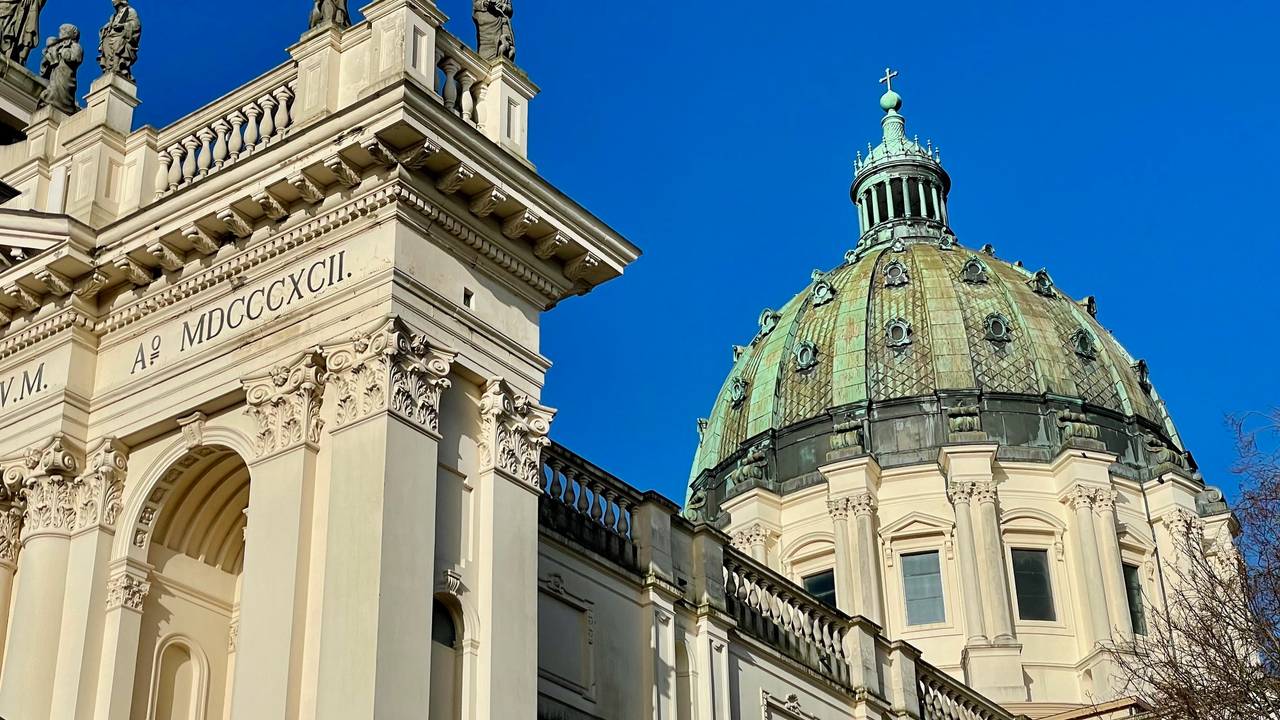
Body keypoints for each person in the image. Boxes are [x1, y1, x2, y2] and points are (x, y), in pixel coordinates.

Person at [37, 24, 82, 115]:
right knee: (51, 90)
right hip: (56, 73)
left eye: (63, 31)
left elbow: (75, 58)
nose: (60, 33)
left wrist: (62, 51)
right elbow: (45, 65)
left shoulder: (75, 46)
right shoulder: (57, 45)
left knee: (63, 92)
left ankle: (64, 107)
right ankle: (49, 102)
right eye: (60, 31)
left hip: (66, 75)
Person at [98, 0, 141, 81]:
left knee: (119, 41)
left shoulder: (130, 11)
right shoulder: (113, 16)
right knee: (106, 41)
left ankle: (117, 67)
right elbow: (110, 25)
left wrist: (123, 26)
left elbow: (136, 25)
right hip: (111, 36)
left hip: (122, 36)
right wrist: (106, 28)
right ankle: (108, 69)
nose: (112, 1)